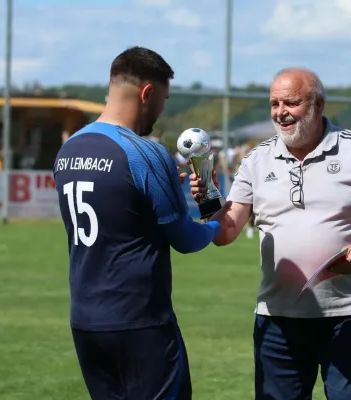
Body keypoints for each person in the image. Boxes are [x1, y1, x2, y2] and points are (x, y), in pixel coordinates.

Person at [189, 67, 351, 400]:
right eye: (274, 104)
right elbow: (226, 232)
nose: (281, 112)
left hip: (347, 312)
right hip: (277, 318)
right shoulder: (256, 159)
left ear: (318, 105)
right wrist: (208, 199)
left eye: (291, 103)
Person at [53, 46, 231, 400]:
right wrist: (216, 223)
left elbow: (119, 210)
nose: (161, 110)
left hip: (86, 322)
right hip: (140, 322)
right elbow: (184, 238)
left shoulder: (69, 149)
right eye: (163, 99)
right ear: (147, 93)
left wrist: (163, 188)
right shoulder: (145, 152)